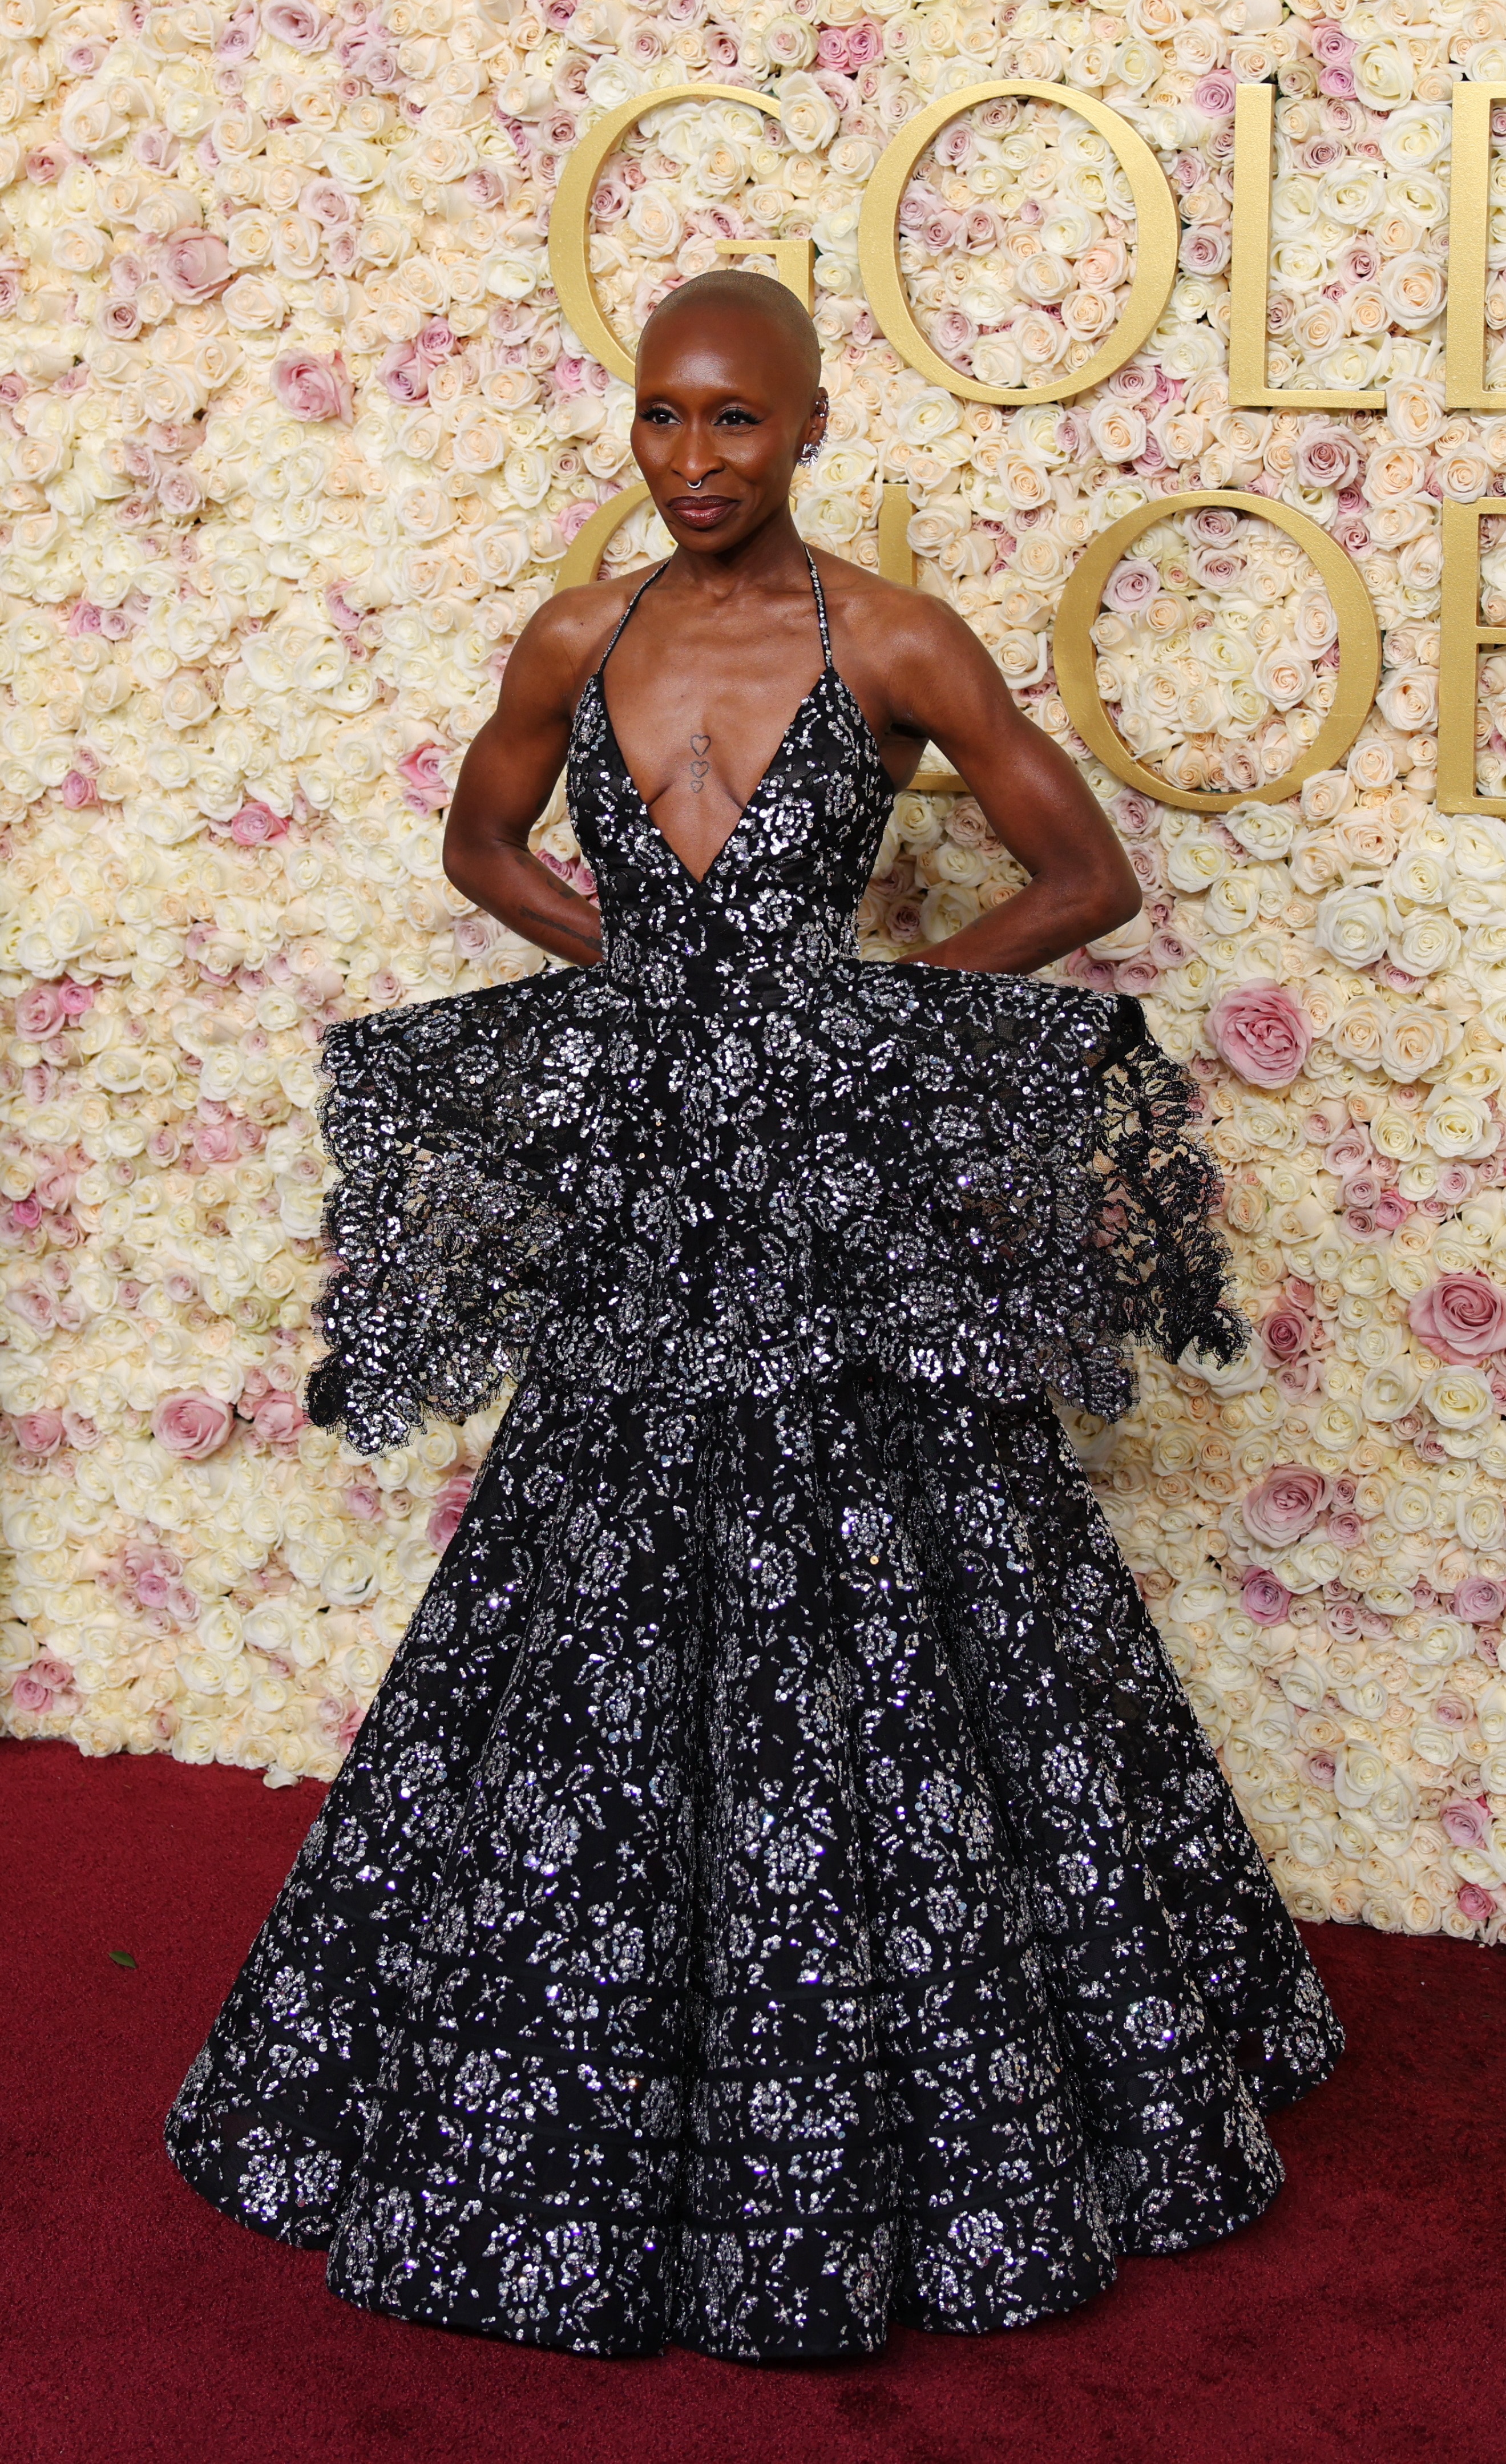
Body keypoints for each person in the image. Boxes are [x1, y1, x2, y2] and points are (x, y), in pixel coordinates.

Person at [166, 271, 1342, 2361]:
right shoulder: (578, 634)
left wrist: (853, 1032)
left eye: (734, 423)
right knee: (588, 1563)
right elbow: (477, 838)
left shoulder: (885, 637)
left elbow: (1085, 878)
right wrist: (643, 976)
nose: (693, 461)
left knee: (920, 1563)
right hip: (655, 1199)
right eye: (661, 418)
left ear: (805, 427)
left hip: (826, 1208)